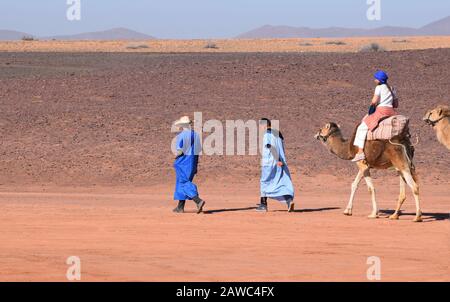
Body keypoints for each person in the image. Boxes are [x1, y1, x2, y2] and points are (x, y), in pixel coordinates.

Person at [352, 70, 398, 162]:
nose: (374, 80)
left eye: (376, 78)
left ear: (380, 80)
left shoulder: (379, 88)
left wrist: (373, 106)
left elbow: (374, 101)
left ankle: (360, 152)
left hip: (381, 111)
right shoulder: (392, 88)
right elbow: (396, 104)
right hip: (391, 112)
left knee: (362, 127)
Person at [257, 118, 295, 212]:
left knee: (265, 182)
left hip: (270, 162)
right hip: (281, 162)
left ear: (264, 125)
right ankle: (289, 201)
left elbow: (270, 146)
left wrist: (276, 159)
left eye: (260, 125)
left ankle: (263, 205)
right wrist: (280, 160)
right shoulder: (278, 133)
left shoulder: (267, 134)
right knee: (282, 183)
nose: (260, 128)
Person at [172, 116, 206, 214]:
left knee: (183, 183)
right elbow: (198, 150)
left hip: (182, 163)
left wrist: (175, 157)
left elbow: (180, 151)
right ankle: (180, 207)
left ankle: (198, 200)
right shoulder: (195, 135)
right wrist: (195, 165)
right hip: (191, 163)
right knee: (183, 183)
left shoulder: (182, 135)